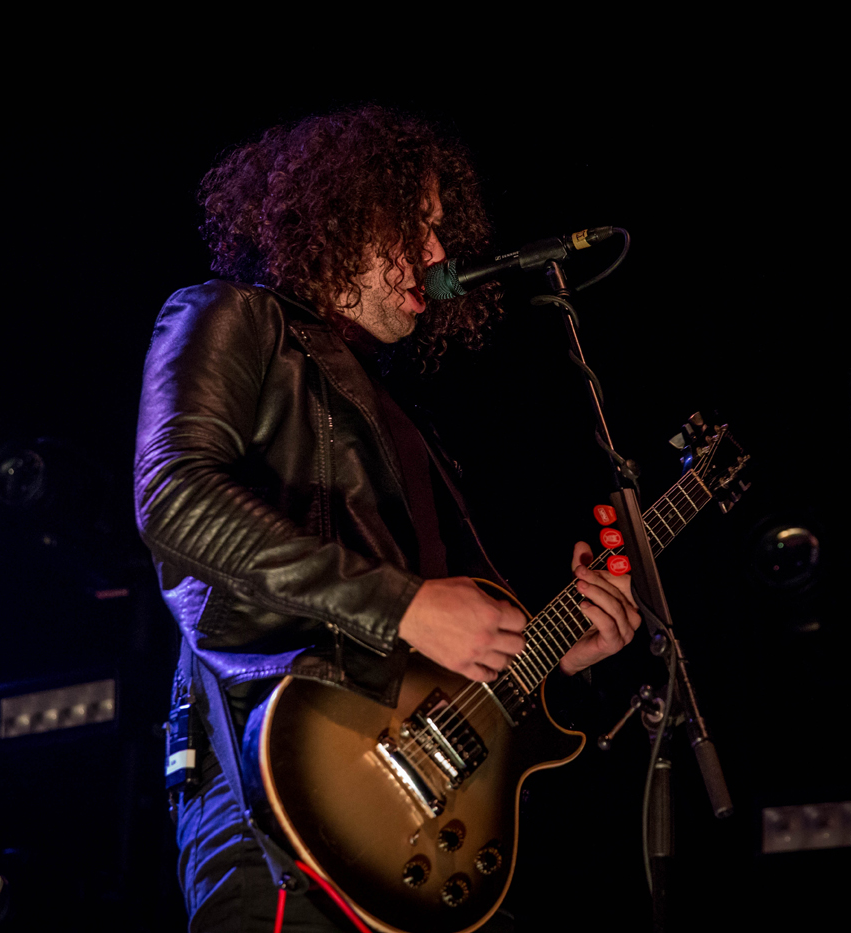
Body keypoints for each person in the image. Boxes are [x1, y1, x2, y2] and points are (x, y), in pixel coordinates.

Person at [134, 107, 641, 932]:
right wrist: (404, 604)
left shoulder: (400, 414)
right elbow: (174, 498)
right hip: (275, 787)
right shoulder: (231, 314)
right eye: (416, 224)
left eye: (440, 230)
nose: (438, 255)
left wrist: (547, 656)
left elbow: (425, 663)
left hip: (407, 809)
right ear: (340, 214)